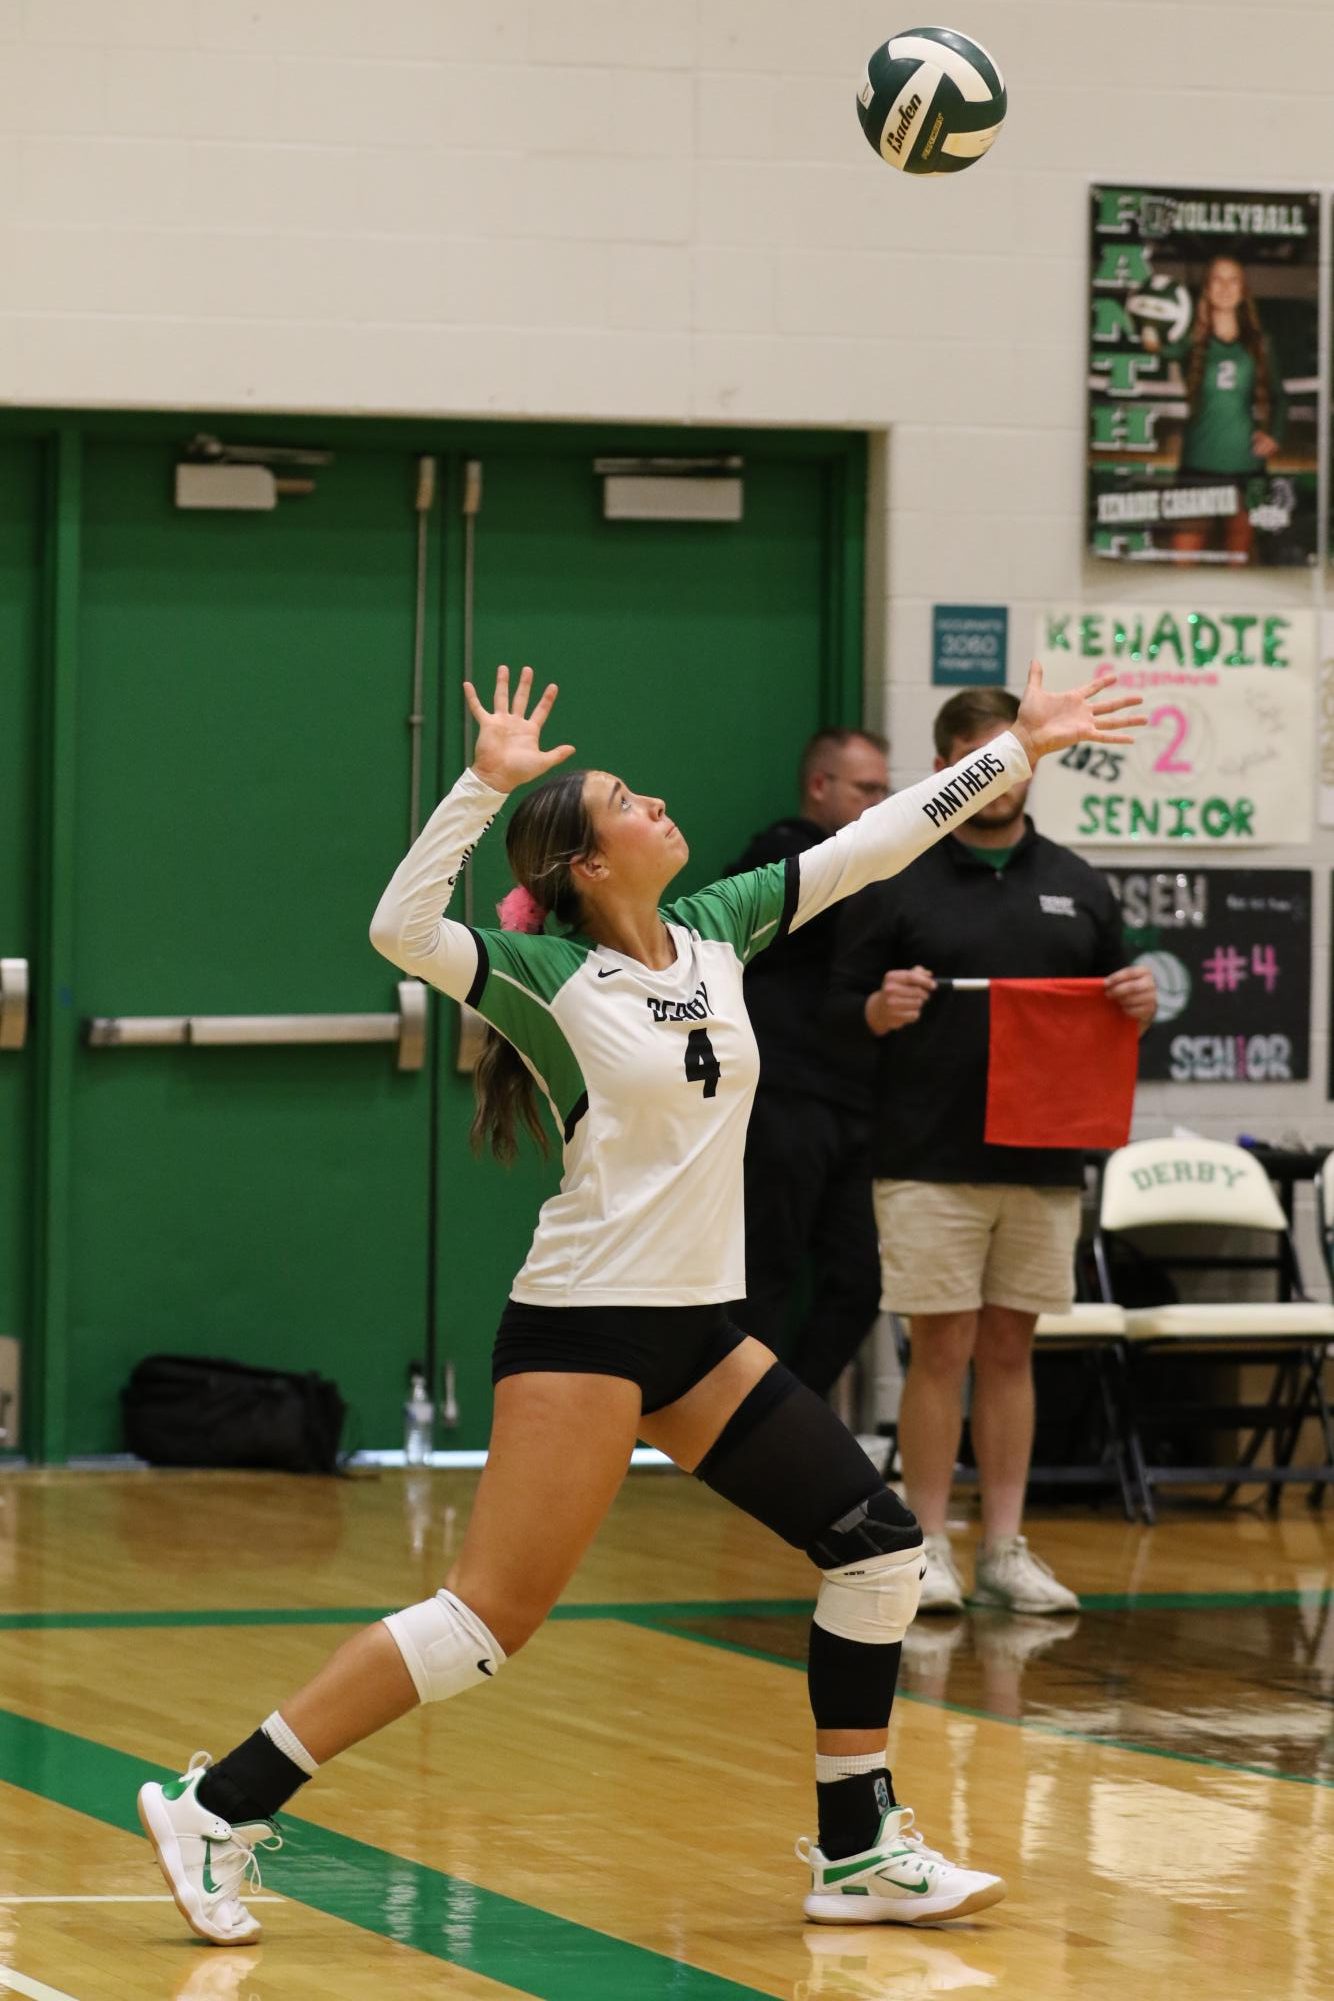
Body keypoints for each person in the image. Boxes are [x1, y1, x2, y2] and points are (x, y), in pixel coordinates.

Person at [136, 661, 1141, 1941]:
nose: (654, 801)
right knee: (485, 1621)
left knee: (878, 1551)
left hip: (696, 1326)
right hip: (586, 1326)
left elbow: (880, 839)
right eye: (622, 799)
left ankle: (855, 1853)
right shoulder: (542, 977)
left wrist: (1019, 748)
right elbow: (399, 931)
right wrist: (478, 787)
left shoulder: (719, 926)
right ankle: (218, 1806)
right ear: (584, 863)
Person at [829, 687, 1156, 1618]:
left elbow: (1120, 999)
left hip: (1045, 1156)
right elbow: (826, 1012)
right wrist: (874, 1007)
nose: (1005, 774)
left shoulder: (1080, 883)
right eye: (987, 755)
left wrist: (1138, 999)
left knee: (1013, 1348)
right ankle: (925, 1545)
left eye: (1018, 753)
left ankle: (1006, 1547)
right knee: (941, 1347)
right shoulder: (895, 875)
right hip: (927, 1153)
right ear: (948, 768)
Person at [727, 728, 889, 1395]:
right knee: (765, 1272)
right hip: (784, 1096)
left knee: (859, 1281)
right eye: (867, 789)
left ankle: (786, 1419)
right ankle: (734, 1432)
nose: (880, 802)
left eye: (886, 790)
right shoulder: (782, 854)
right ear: (820, 785)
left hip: (856, 1099)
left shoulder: (872, 864)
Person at [1140, 255, 1285, 564]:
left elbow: (1279, 397)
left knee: (1241, 559)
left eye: (1233, 279)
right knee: (1183, 557)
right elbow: (1153, 342)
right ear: (1206, 288)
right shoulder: (1190, 340)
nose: (1225, 287)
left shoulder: (1260, 342)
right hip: (1198, 463)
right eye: (1217, 279)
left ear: (1244, 289)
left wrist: (1275, 434)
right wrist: (1145, 320)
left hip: (1248, 466)